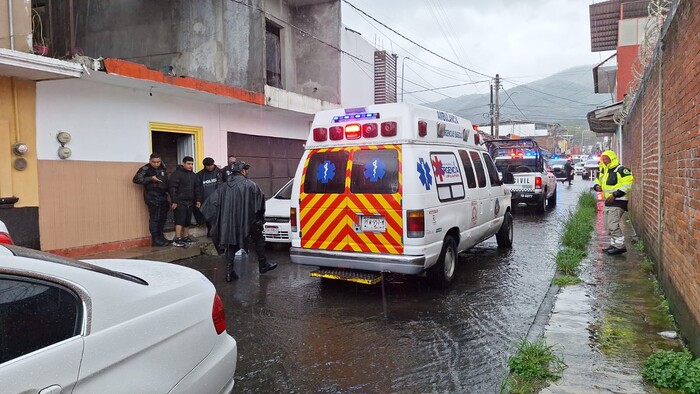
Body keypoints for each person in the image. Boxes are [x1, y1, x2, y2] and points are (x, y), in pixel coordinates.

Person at [201, 160, 277, 282]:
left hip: (231, 222)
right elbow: (260, 204)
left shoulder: (224, 186)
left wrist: (220, 219)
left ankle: (229, 273)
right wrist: (259, 219)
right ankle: (263, 265)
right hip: (249, 221)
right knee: (259, 240)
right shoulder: (251, 185)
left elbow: (210, 205)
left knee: (232, 244)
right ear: (242, 171)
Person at [593, 150, 634, 255]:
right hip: (608, 201)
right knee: (607, 225)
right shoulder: (605, 170)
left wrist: (615, 194)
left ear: (612, 158)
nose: (605, 161)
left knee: (613, 225)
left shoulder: (622, 170)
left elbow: (627, 184)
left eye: (607, 159)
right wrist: (596, 186)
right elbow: (598, 180)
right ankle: (614, 245)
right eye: (603, 159)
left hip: (618, 201)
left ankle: (620, 246)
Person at [132, 153, 171, 247]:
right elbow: (136, 179)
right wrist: (150, 179)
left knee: (163, 217)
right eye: (154, 162)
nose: (156, 164)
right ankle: (155, 239)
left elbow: (166, 180)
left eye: (158, 162)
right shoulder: (145, 168)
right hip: (152, 197)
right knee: (155, 218)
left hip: (162, 195)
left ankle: (161, 236)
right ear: (150, 161)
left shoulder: (163, 168)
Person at [169, 156, 202, 247]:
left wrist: (198, 199)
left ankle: (186, 236)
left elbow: (197, 189)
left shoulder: (194, 175)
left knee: (187, 220)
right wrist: (174, 201)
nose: (190, 166)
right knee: (179, 220)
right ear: (183, 164)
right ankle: (178, 238)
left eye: (192, 164)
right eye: (188, 164)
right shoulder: (176, 174)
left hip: (190, 201)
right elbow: (173, 188)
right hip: (179, 201)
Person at [194, 157, 221, 237]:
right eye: (208, 165)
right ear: (205, 166)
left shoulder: (219, 172)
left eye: (211, 165)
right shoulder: (200, 175)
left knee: (219, 216)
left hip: (218, 198)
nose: (210, 167)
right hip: (206, 199)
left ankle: (218, 232)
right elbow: (197, 188)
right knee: (208, 216)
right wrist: (198, 199)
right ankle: (210, 231)